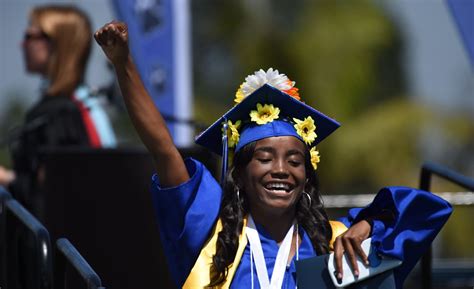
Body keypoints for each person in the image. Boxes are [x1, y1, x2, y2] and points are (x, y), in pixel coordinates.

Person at [94, 22, 452, 289]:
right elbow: (162, 148)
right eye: (265, 158)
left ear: (307, 174)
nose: (281, 170)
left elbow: (430, 210)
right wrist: (123, 64)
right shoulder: (208, 230)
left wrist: (368, 225)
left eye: (294, 161)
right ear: (242, 172)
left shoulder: (332, 243)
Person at [0, 5, 116, 215]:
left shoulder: (61, 114)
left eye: (29, 36)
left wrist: (7, 180)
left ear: (56, 44)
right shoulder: (83, 107)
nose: (22, 44)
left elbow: (54, 195)